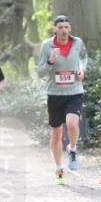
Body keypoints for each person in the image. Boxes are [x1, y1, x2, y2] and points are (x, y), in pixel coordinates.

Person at [37, 14, 88, 184]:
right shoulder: (46, 46)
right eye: (60, 28)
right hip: (55, 94)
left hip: (74, 91)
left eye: (66, 27)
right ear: (55, 29)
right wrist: (50, 62)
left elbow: (83, 58)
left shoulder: (78, 43)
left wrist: (82, 70)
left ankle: (72, 149)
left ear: (70, 28)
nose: (64, 31)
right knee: (57, 132)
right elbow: (40, 72)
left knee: (73, 124)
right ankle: (59, 168)